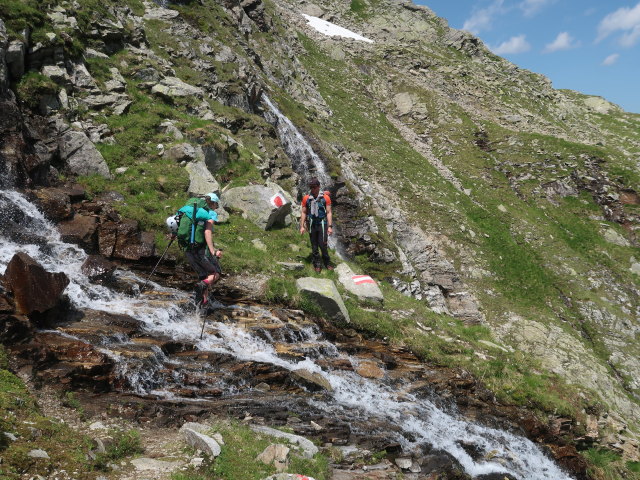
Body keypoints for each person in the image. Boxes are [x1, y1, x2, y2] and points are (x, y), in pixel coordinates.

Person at [177, 192, 223, 307]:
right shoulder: (210, 214)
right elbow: (207, 231)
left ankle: (203, 302)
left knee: (203, 275)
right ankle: (202, 287)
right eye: (216, 204)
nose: (216, 207)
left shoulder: (189, 211)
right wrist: (213, 251)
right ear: (212, 203)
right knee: (215, 273)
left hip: (188, 248)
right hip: (200, 249)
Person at [300, 177, 333, 273]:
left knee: (323, 244)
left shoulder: (325, 198)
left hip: (322, 223)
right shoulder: (306, 198)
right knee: (314, 246)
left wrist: (330, 227)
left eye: (314, 187)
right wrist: (302, 226)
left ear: (318, 187)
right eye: (311, 187)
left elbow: (329, 212)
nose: (312, 189)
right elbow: (303, 213)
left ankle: (327, 262)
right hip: (312, 224)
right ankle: (317, 264)